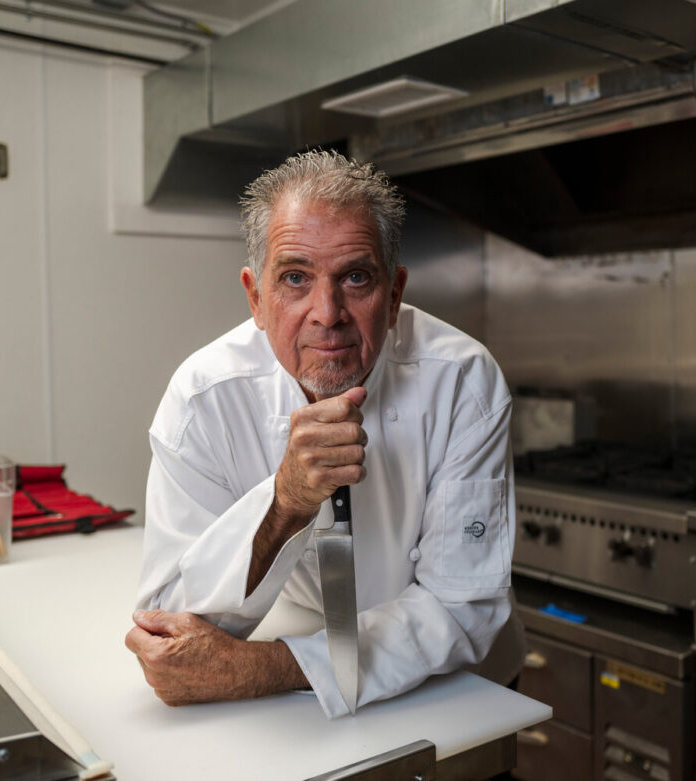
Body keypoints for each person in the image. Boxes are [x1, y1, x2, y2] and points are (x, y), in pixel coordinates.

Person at [125, 150, 522, 719]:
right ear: (255, 298)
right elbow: (173, 629)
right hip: (299, 714)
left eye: (356, 277)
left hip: (452, 694)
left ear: (394, 296)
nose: (327, 312)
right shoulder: (203, 398)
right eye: (294, 278)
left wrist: (267, 668)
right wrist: (285, 501)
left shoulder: (463, 381)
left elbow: (460, 607)